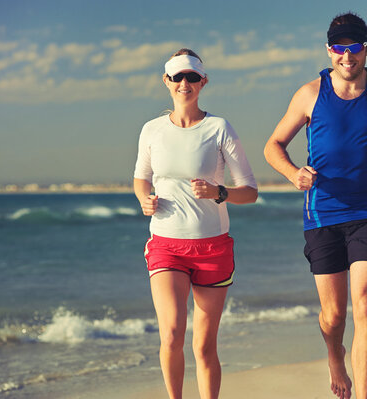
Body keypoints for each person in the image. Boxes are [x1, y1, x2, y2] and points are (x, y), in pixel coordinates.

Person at [264, 12, 367, 399]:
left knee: (365, 305)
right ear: (329, 50)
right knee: (334, 315)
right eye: (339, 48)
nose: (347, 56)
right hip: (323, 213)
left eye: (354, 48)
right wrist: (292, 174)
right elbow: (273, 146)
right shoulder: (309, 94)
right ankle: (334, 356)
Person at [133, 48, 258, 399]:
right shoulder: (152, 130)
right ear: (166, 81)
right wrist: (144, 199)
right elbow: (141, 178)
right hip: (166, 246)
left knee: (204, 347)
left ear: (203, 81)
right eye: (177, 77)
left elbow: (249, 191)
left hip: (212, 248)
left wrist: (219, 192)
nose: (184, 83)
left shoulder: (219, 128)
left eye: (191, 77)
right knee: (172, 333)